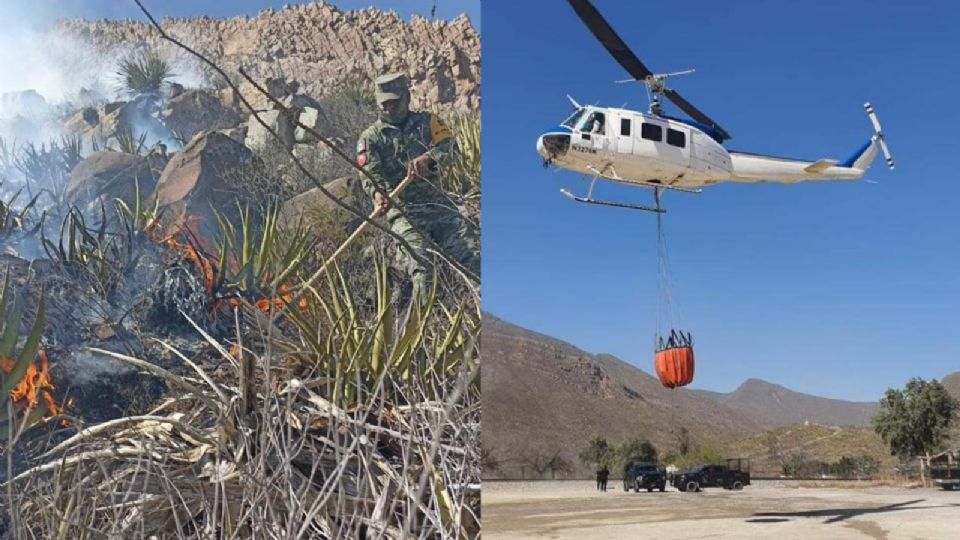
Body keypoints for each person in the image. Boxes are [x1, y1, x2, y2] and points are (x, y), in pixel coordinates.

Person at [357, 72, 480, 300]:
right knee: (423, 270)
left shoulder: (428, 121)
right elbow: (369, 174)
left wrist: (429, 158)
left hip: (438, 205)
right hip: (404, 213)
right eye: (384, 105)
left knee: (471, 257)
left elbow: (451, 147)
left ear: (406, 98)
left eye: (394, 103)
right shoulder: (371, 138)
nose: (389, 108)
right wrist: (377, 194)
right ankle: (425, 327)